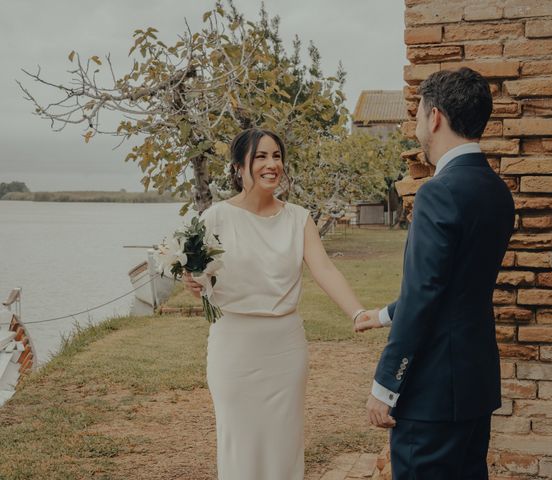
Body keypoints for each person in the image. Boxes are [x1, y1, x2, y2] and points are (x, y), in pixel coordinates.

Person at [182, 128, 371, 480]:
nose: (272, 165)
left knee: (283, 445)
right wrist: (192, 281)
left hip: (285, 349)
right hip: (234, 348)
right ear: (239, 167)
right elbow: (196, 274)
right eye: (261, 157)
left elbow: (324, 268)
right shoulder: (215, 218)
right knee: (239, 442)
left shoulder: (298, 218)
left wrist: (357, 311)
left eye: (277, 156)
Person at [355, 68, 516, 479]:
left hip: (431, 396)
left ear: (435, 117)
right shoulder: (497, 191)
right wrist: (386, 314)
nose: (415, 128)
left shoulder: (437, 192)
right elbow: (455, 284)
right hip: (474, 387)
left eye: (418, 114)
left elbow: (425, 293)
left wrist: (385, 386)